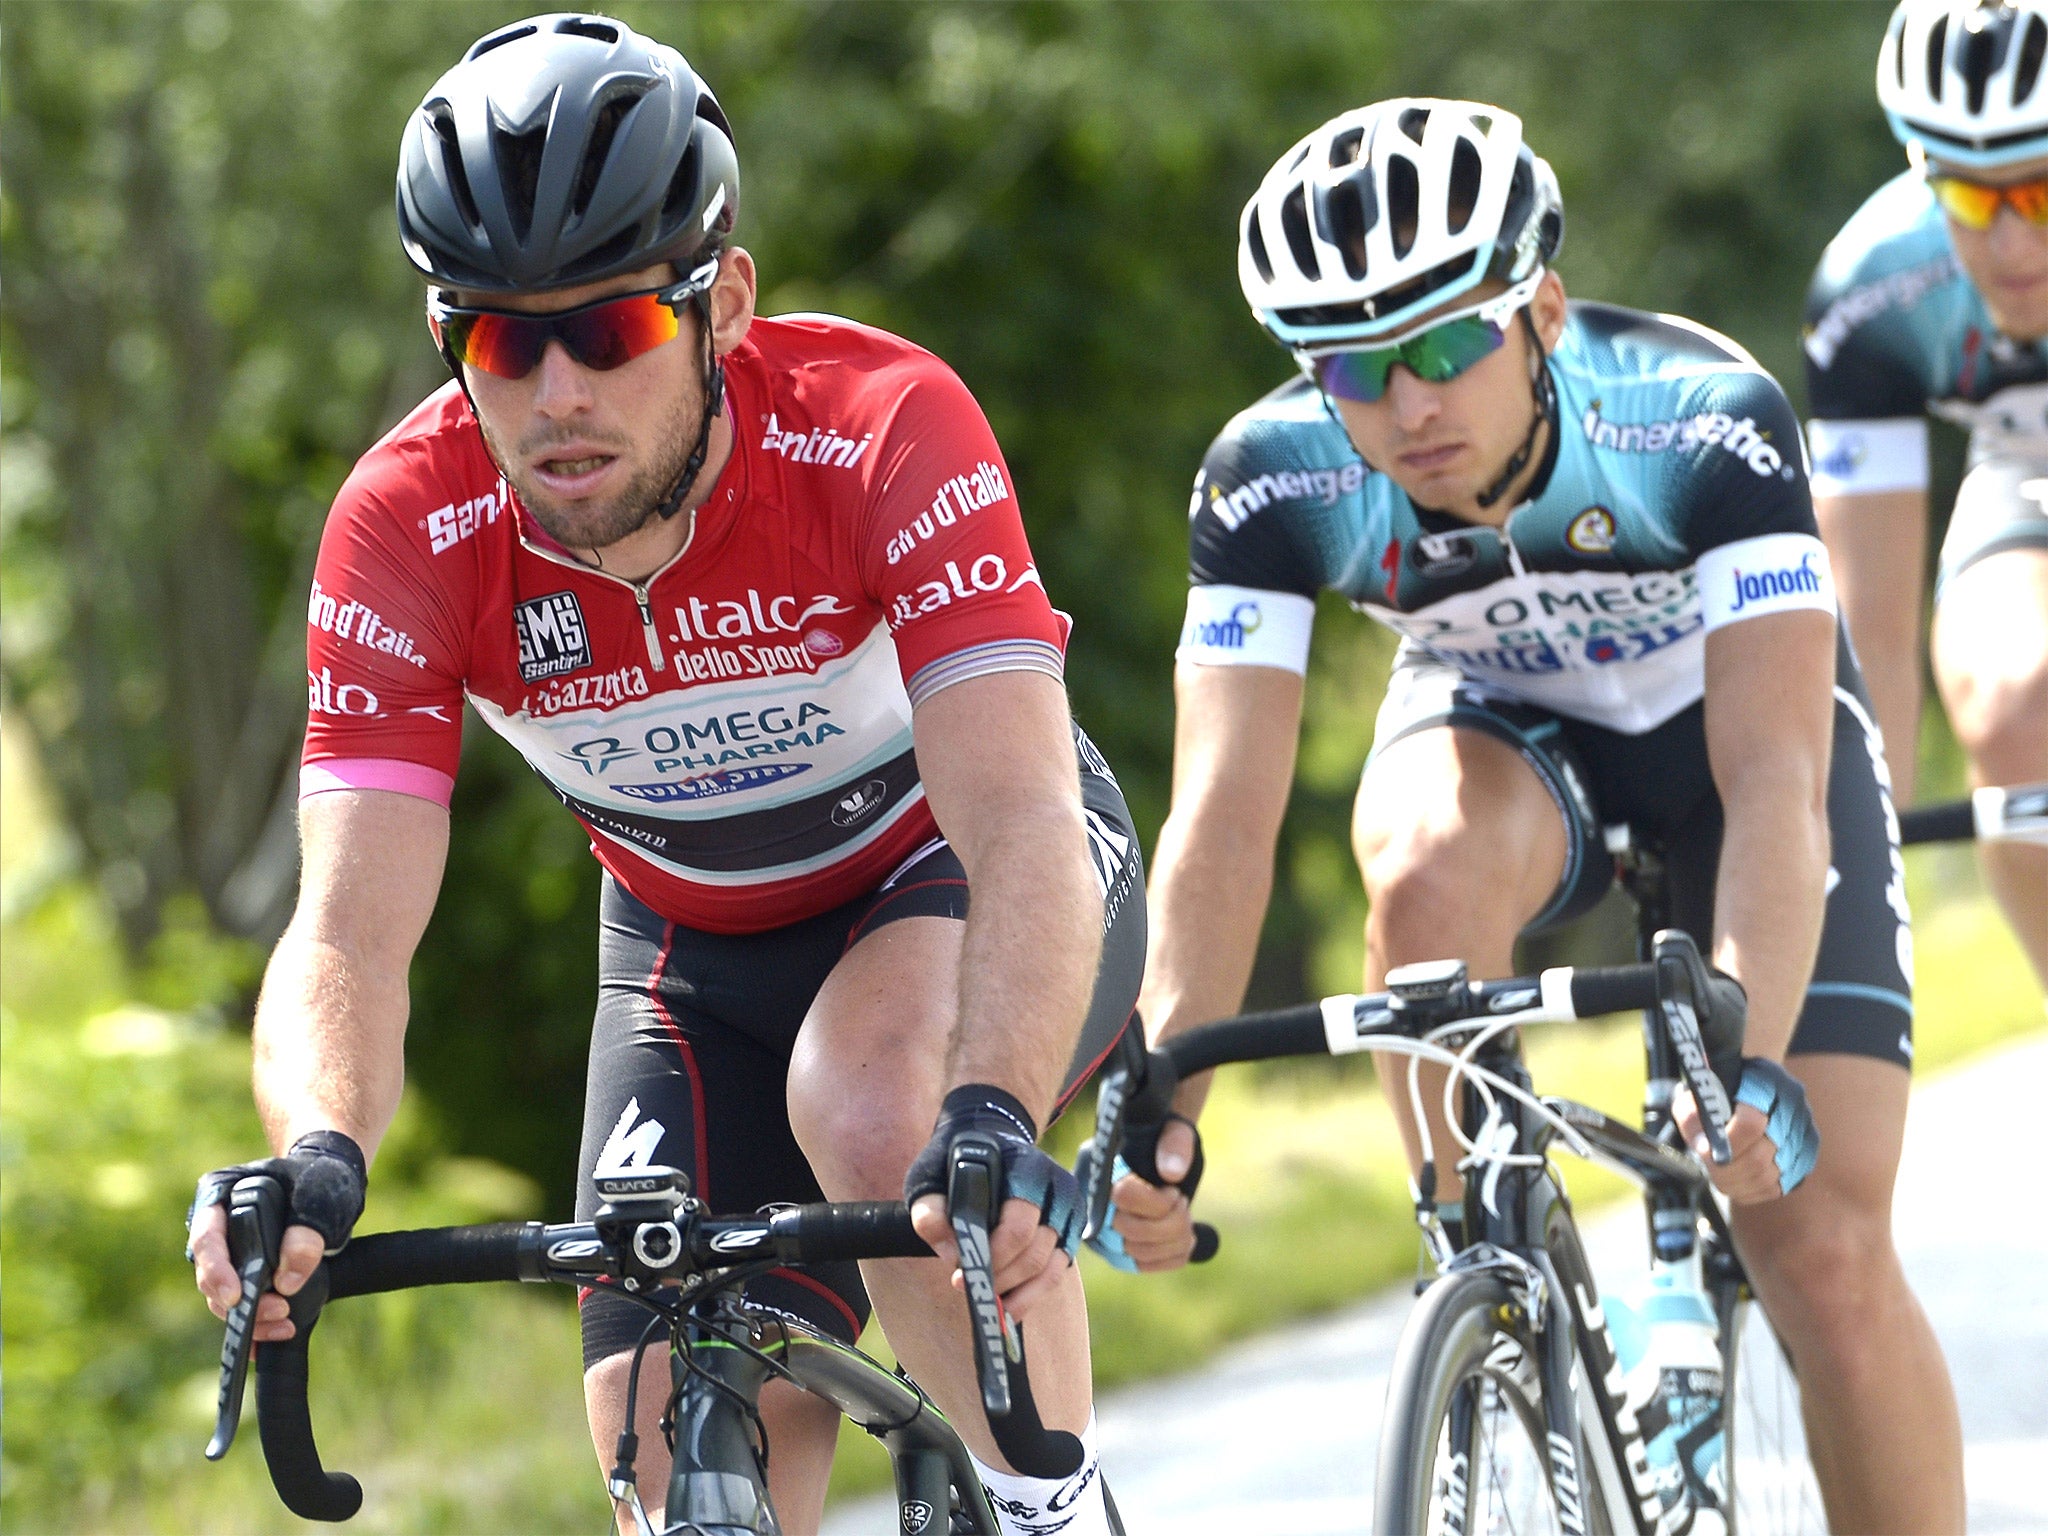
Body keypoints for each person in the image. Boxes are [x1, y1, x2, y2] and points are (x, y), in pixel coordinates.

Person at [184, 16, 1141, 1535]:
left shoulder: (883, 430)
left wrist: (996, 1112)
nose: (558, 392)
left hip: (954, 867)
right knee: (654, 1440)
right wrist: (316, 1152)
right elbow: (348, 929)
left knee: (880, 1105)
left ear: (724, 304)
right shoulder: (404, 529)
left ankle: (1054, 1506)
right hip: (689, 951)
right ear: (451, 343)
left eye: (611, 331)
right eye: (503, 338)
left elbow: (1020, 822)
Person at [1107, 98, 1964, 1532]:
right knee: (1423, 878)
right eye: (1355, 368)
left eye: (1449, 345)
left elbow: (1772, 784)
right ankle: (1482, 1271)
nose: (1411, 405)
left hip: (1731, 745)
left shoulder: (1700, 417)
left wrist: (1741, 1042)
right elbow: (1220, 823)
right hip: (1508, 735)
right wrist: (1161, 1096)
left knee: (1819, 1249)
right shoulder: (1270, 482)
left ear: (1542, 309)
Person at [1803, 0, 2048, 996]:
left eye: (2036, 191)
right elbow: (1869, 634)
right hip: (2022, 475)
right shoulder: (1871, 291)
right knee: (2007, 707)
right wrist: (1858, 900)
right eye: (1967, 194)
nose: (2005, 242)